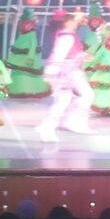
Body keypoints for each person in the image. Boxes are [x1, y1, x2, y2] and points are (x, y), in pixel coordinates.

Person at [35, 12, 95, 142]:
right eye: (73, 20)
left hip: (71, 70)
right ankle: (49, 127)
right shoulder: (66, 37)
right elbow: (59, 55)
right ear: (67, 23)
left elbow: (70, 53)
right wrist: (51, 73)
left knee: (82, 96)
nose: (76, 22)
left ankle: (72, 122)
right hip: (65, 72)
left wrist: (82, 56)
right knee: (65, 100)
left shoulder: (68, 35)